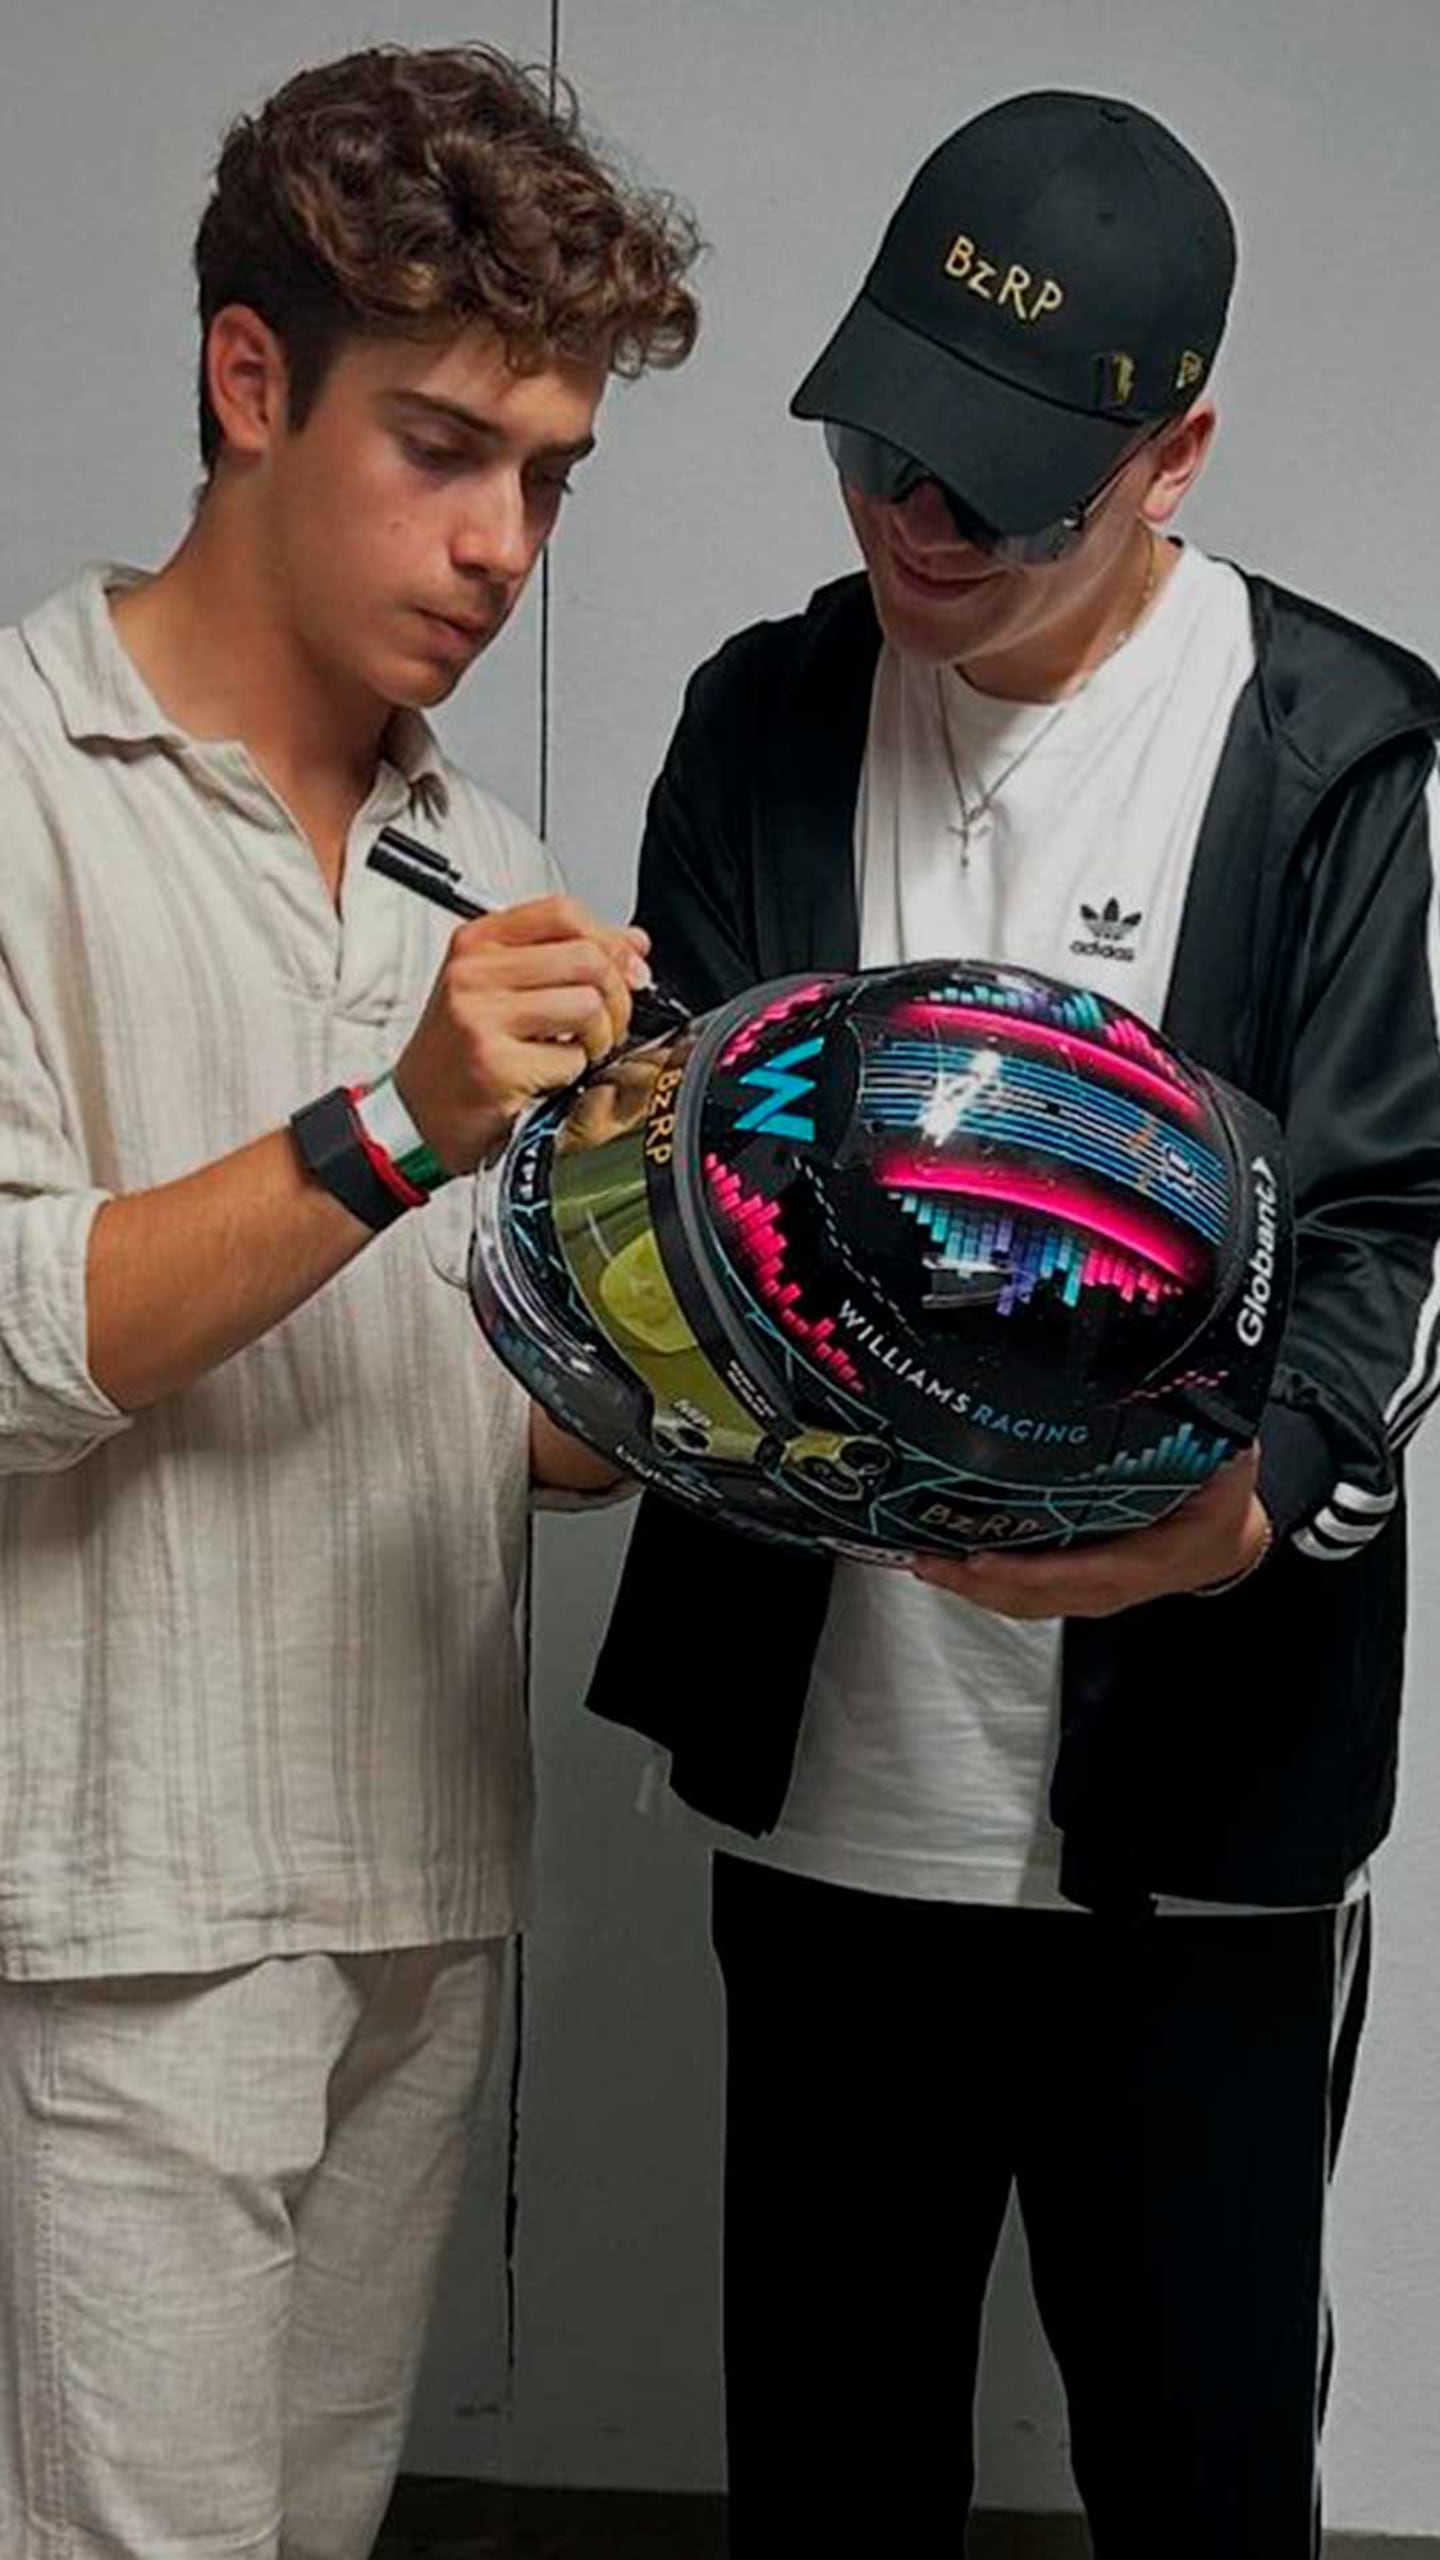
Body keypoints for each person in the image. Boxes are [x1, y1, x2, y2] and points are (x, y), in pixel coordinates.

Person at [590, 89, 1440, 2557]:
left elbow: (1396, 1226)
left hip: (1207, 1829)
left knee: (1202, 2487)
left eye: (1005, 485)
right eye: (880, 445)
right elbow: (684, 1172)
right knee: (827, 2484)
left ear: (1174, 458)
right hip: (829, 1798)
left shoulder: (1343, 754)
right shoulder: (761, 713)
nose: (920, 522)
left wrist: (1238, 1516)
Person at [0, 42, 696, 2560]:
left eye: (552, 477)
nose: (503, 543)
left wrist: (683, 1327)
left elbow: (491, 1416)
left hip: (422, 1875)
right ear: (247, 377)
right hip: (129, 1910)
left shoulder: (485, 853)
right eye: (443, 446)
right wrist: (397, 1119)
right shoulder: (18, 775)